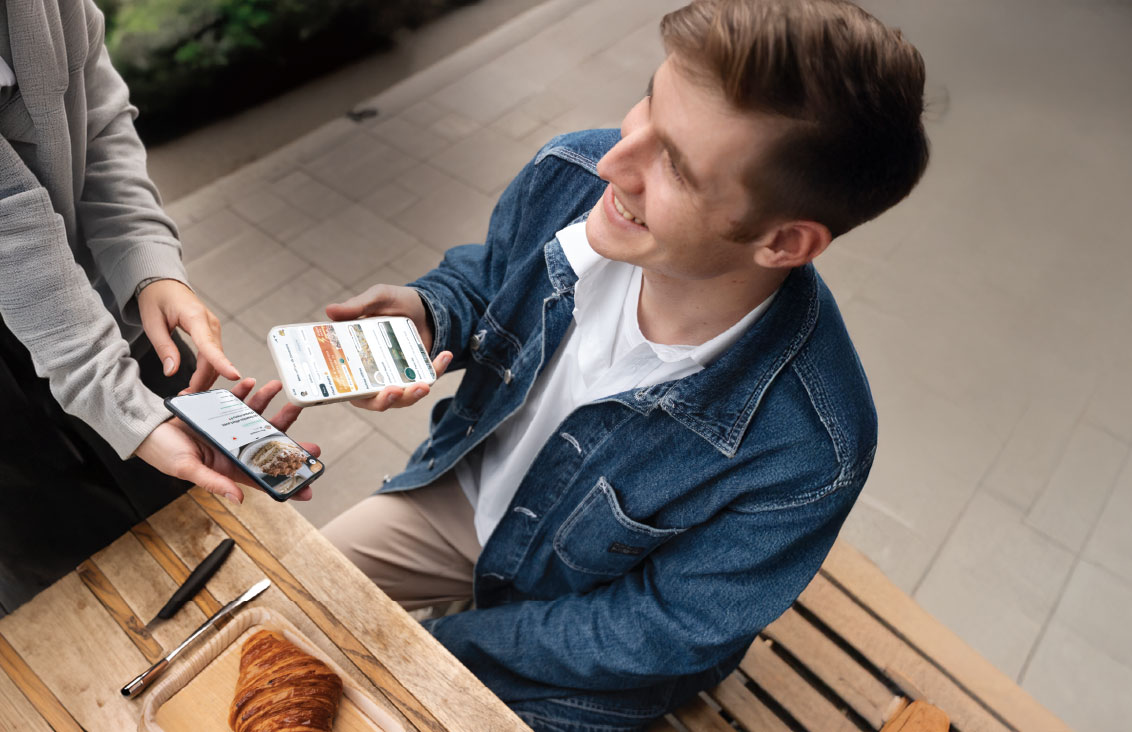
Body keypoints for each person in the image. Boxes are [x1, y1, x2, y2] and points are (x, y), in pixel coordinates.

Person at [322, 0, 929, 728]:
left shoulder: (810, 449)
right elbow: (489, 276)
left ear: (785, 242)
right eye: (647, 100)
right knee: (281, 593)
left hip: (589, 639)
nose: (613, 159)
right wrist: (432, 312)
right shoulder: (570, 173)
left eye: (671, 162)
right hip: (461, 505)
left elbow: (657, 630)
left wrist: (431, 645)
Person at [0, 0, 260, 615]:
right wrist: (124, 408)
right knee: (75, 599)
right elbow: (9, 225)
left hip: (94, 315)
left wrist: (148, 265)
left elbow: (100, 118)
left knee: (206, 518)